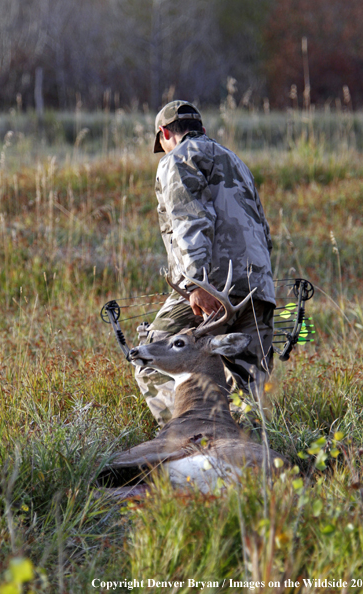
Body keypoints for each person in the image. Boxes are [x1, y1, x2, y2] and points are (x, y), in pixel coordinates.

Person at [135, 100, 276, 426]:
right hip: (257, 288)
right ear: (202, 129)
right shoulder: (236, 162)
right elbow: (264, 233)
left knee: (150, 359)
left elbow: (191, 221)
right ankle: (245, 463)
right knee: (248, 388)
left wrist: (197, 283)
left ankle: (186, 440)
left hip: (209, 284)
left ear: (165, 133)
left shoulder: (177, 160)